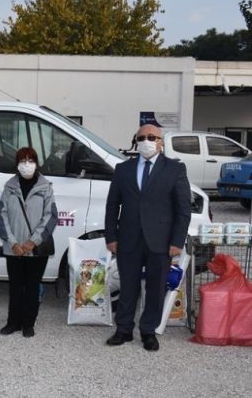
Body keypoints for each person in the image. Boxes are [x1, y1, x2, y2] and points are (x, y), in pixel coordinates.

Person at [104, 124, 191, 351]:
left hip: (161, 242)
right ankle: (123, 329)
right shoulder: (123, 169)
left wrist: (177, 242)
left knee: (155, 288)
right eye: (141, 137)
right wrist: (111, 236)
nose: (146, 141)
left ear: (161, 142)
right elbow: (112, 205)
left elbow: (183, 210)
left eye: (151, 137)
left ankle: (148, 331)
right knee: (128, 286)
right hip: (128, 239)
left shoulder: (174, 170)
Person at [0, 147, 58, 338]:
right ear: (17, 164)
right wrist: (13, 243)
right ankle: (13, 322)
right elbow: (1, 216)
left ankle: (28, 323)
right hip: (13, 248)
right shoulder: (9, 187)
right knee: (15, 286)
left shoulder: (46, 187)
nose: (27, 164)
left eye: (31, 160)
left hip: (35, 249)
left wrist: (32, 242)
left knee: (32, 286)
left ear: (37, 163)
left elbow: (50, 217)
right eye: (23, 160)